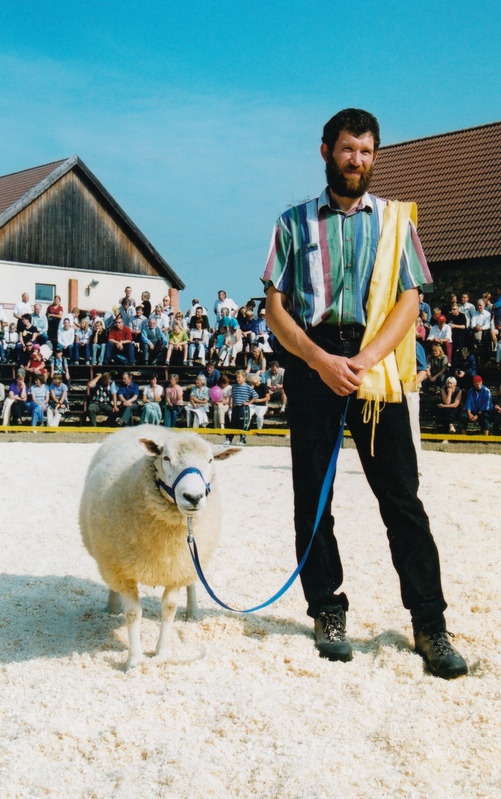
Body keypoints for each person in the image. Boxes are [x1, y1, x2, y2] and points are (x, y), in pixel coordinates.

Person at [262, 107, 467, 679]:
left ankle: (430, 623)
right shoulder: (293, 222)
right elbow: (275, 307)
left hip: (376, 365)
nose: (357, 160)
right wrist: (320, 360)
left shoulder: (396, 222)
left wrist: (365, 359)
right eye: (348, 149)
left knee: (402, 498)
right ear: (326, 151)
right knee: (313, 498)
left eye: (367, 151)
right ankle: (327, 611)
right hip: (313, 362)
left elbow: (410, 299)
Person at [225, 369, 258, 445]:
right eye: (236, 377)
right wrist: (231, 402)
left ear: (244, 378)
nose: (237, 379)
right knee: (232, 423)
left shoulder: (248, 387)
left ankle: (242, 440)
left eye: (239, 377)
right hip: (235, 407)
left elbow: (255, 396)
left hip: (243, 408)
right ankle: (229, 439)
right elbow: (233, 395)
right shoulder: (235, 386)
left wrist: (248, 403)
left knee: (242, 424)